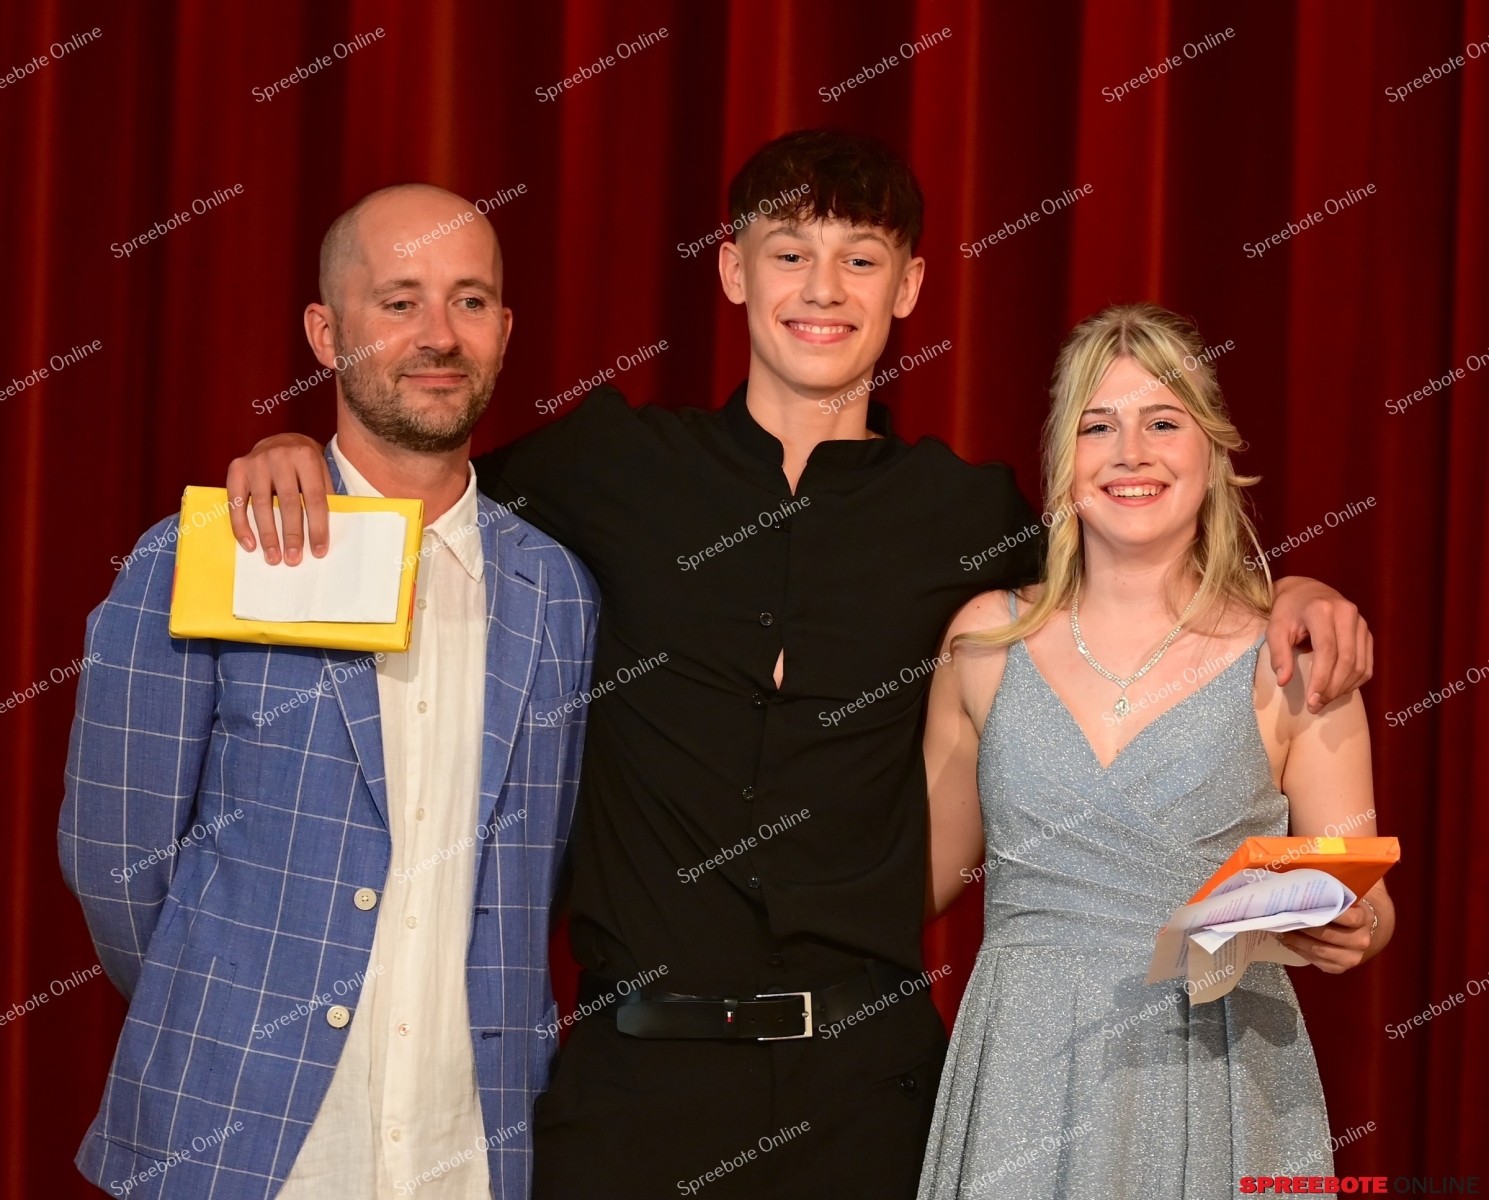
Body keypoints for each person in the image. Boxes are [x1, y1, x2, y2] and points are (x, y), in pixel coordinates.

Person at [223, 131, 1373, 1199]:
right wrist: (301, 452)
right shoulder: (609, 463)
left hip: (867, 1099)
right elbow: (426, 487)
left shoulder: (966, 515)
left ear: (908, 287)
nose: (823, 290)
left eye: (859, 259)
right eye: (789, 253)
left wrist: (1292, 592)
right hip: (630, 1096)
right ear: (732, 272)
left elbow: (1133, 576)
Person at [59, 184, 596, 1199]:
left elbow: (546, 871)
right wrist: (221, 1012)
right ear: (324, 332)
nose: (439, 335)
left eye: (470, 300)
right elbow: (114, 860)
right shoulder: (210, 554)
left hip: (470, 1155)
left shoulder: (558, 592)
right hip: (235, 1148)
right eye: (398, 301)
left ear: (504, 330)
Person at [917, 303, 1395, 1199]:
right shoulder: (983, 644)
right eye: (1097, 426)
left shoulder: (1292, 657)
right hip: (1021, 1077)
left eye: (1163, 422)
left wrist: (1354, 930)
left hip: (1217, 1075)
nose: (1130, 453)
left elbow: (1362, 893)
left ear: (1211, 453)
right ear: (1062, 462)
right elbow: (911, 881)